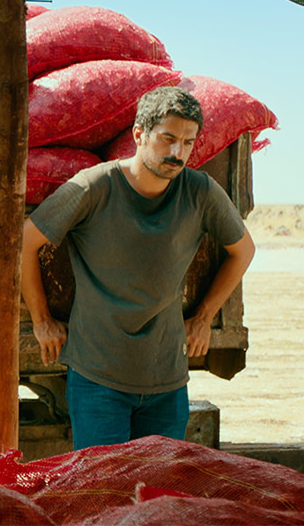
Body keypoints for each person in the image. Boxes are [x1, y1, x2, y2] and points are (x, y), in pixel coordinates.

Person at [20, 86, 255, 450]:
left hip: (167, 381)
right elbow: (25, 242)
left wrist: (205, 316)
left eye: (188, 143)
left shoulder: (199, 192)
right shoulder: (96, 186)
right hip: (98, 379)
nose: (177, 153)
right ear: (139, 135)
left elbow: (243, 250)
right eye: (168, 139)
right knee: (103, 493)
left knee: (156, 498)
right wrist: (41, 319)